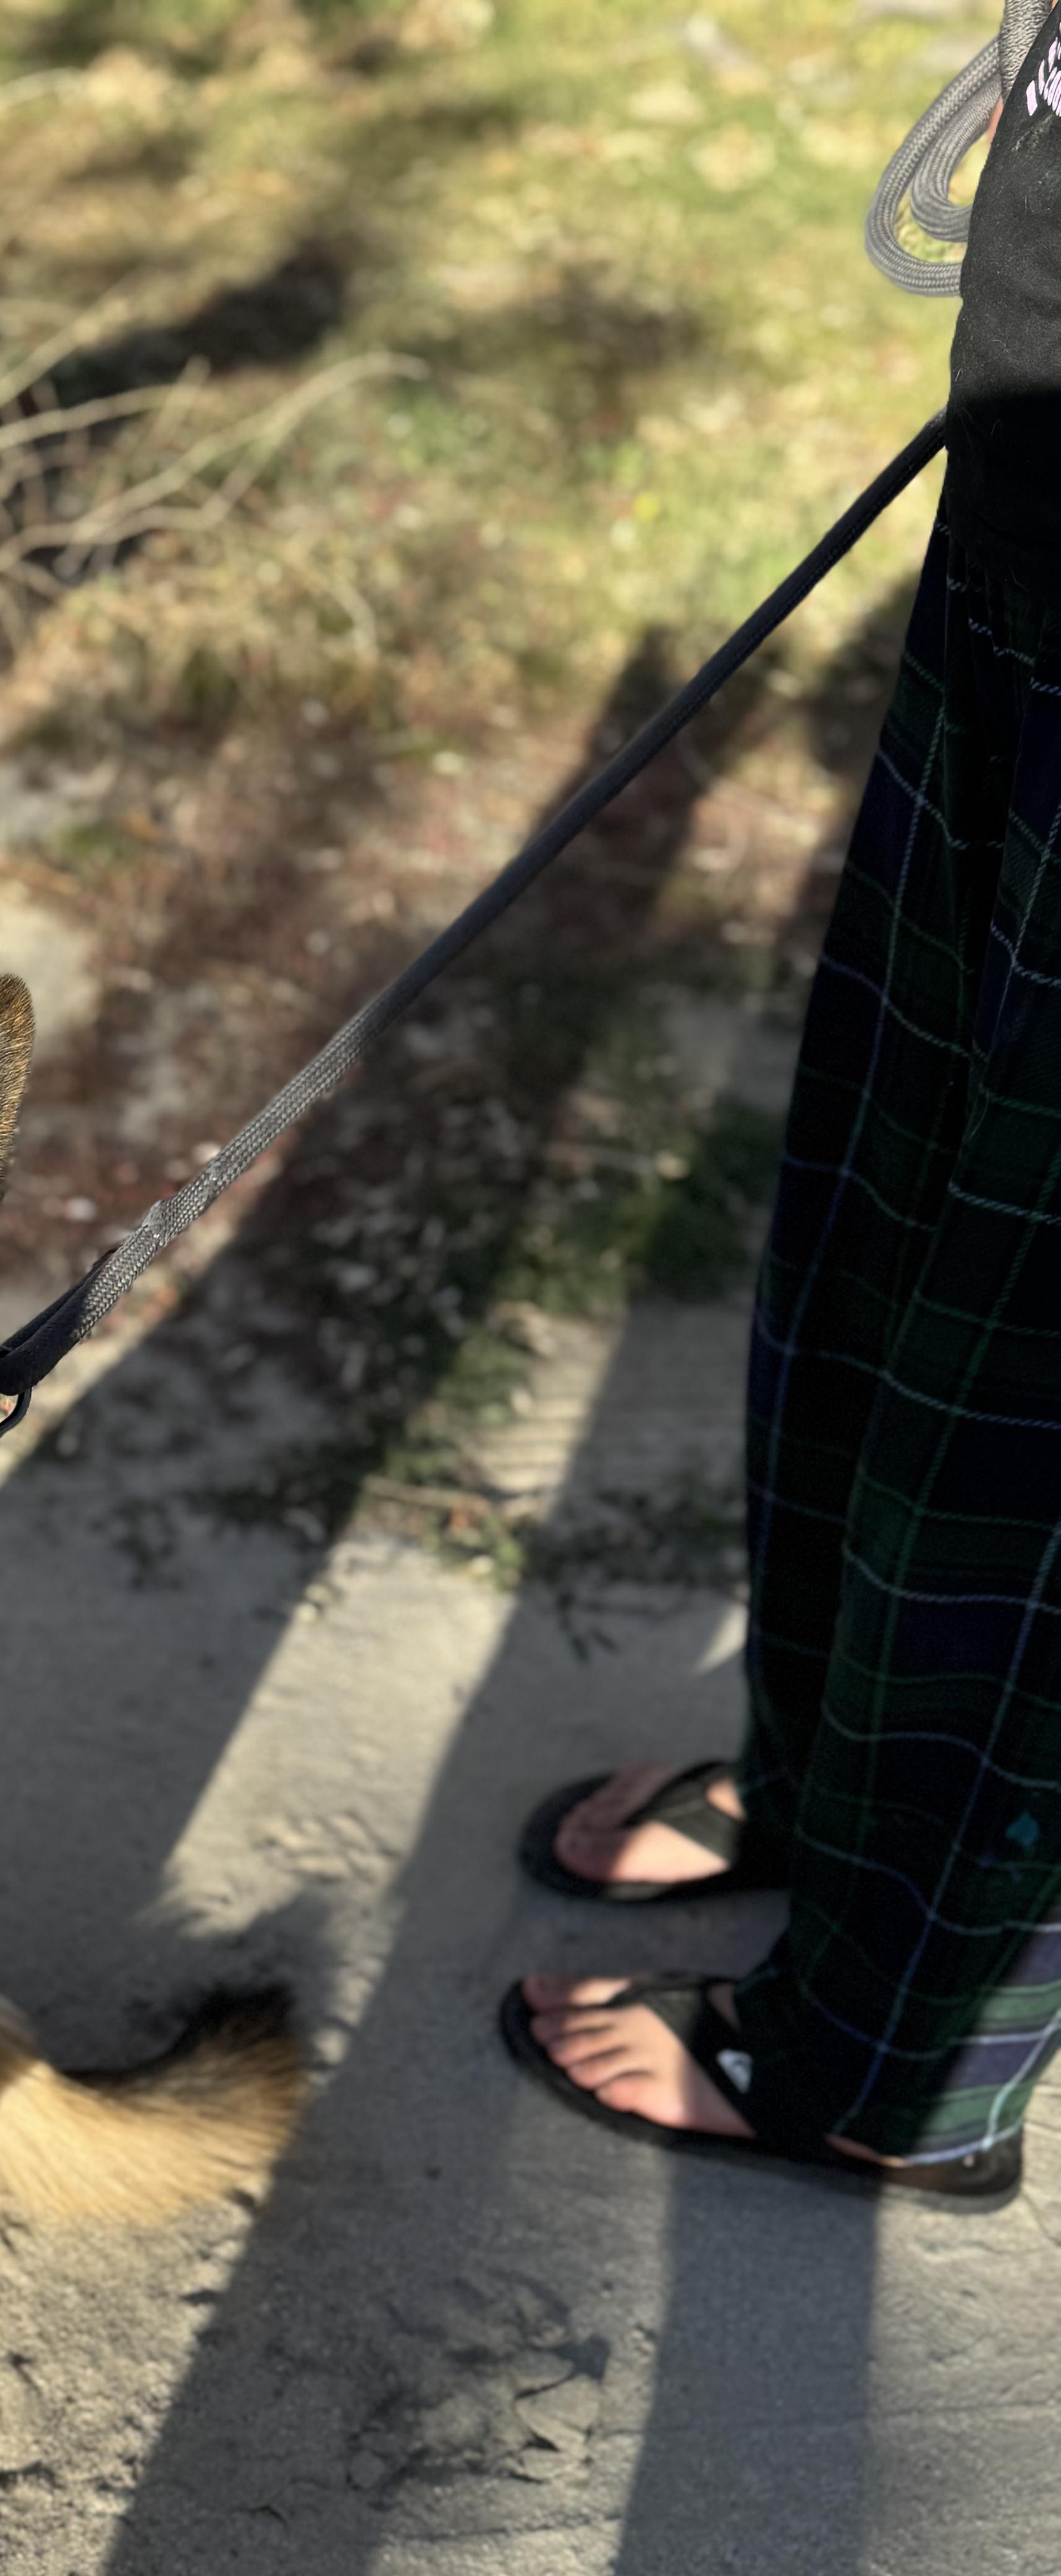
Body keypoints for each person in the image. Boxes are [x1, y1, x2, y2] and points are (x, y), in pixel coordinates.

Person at [502, 9, 1061, 2209]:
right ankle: (841, 1801)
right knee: (871, 1242)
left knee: (1020, 1415)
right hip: (1031, 504)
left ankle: (899, 2053)